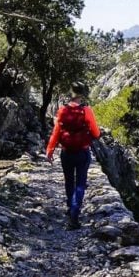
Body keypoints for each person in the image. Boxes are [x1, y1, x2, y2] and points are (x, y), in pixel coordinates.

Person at [46, 81, 101, 230]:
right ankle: (74, 217)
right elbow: (96, 133)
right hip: (82, 152)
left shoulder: (62, 111)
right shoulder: (86, 111)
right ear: (83, 94)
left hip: (66, 152)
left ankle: (70, 207)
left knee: (69, 181)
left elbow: (56, 132)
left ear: (71, 93)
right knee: (81, 183)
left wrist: (50, 150)